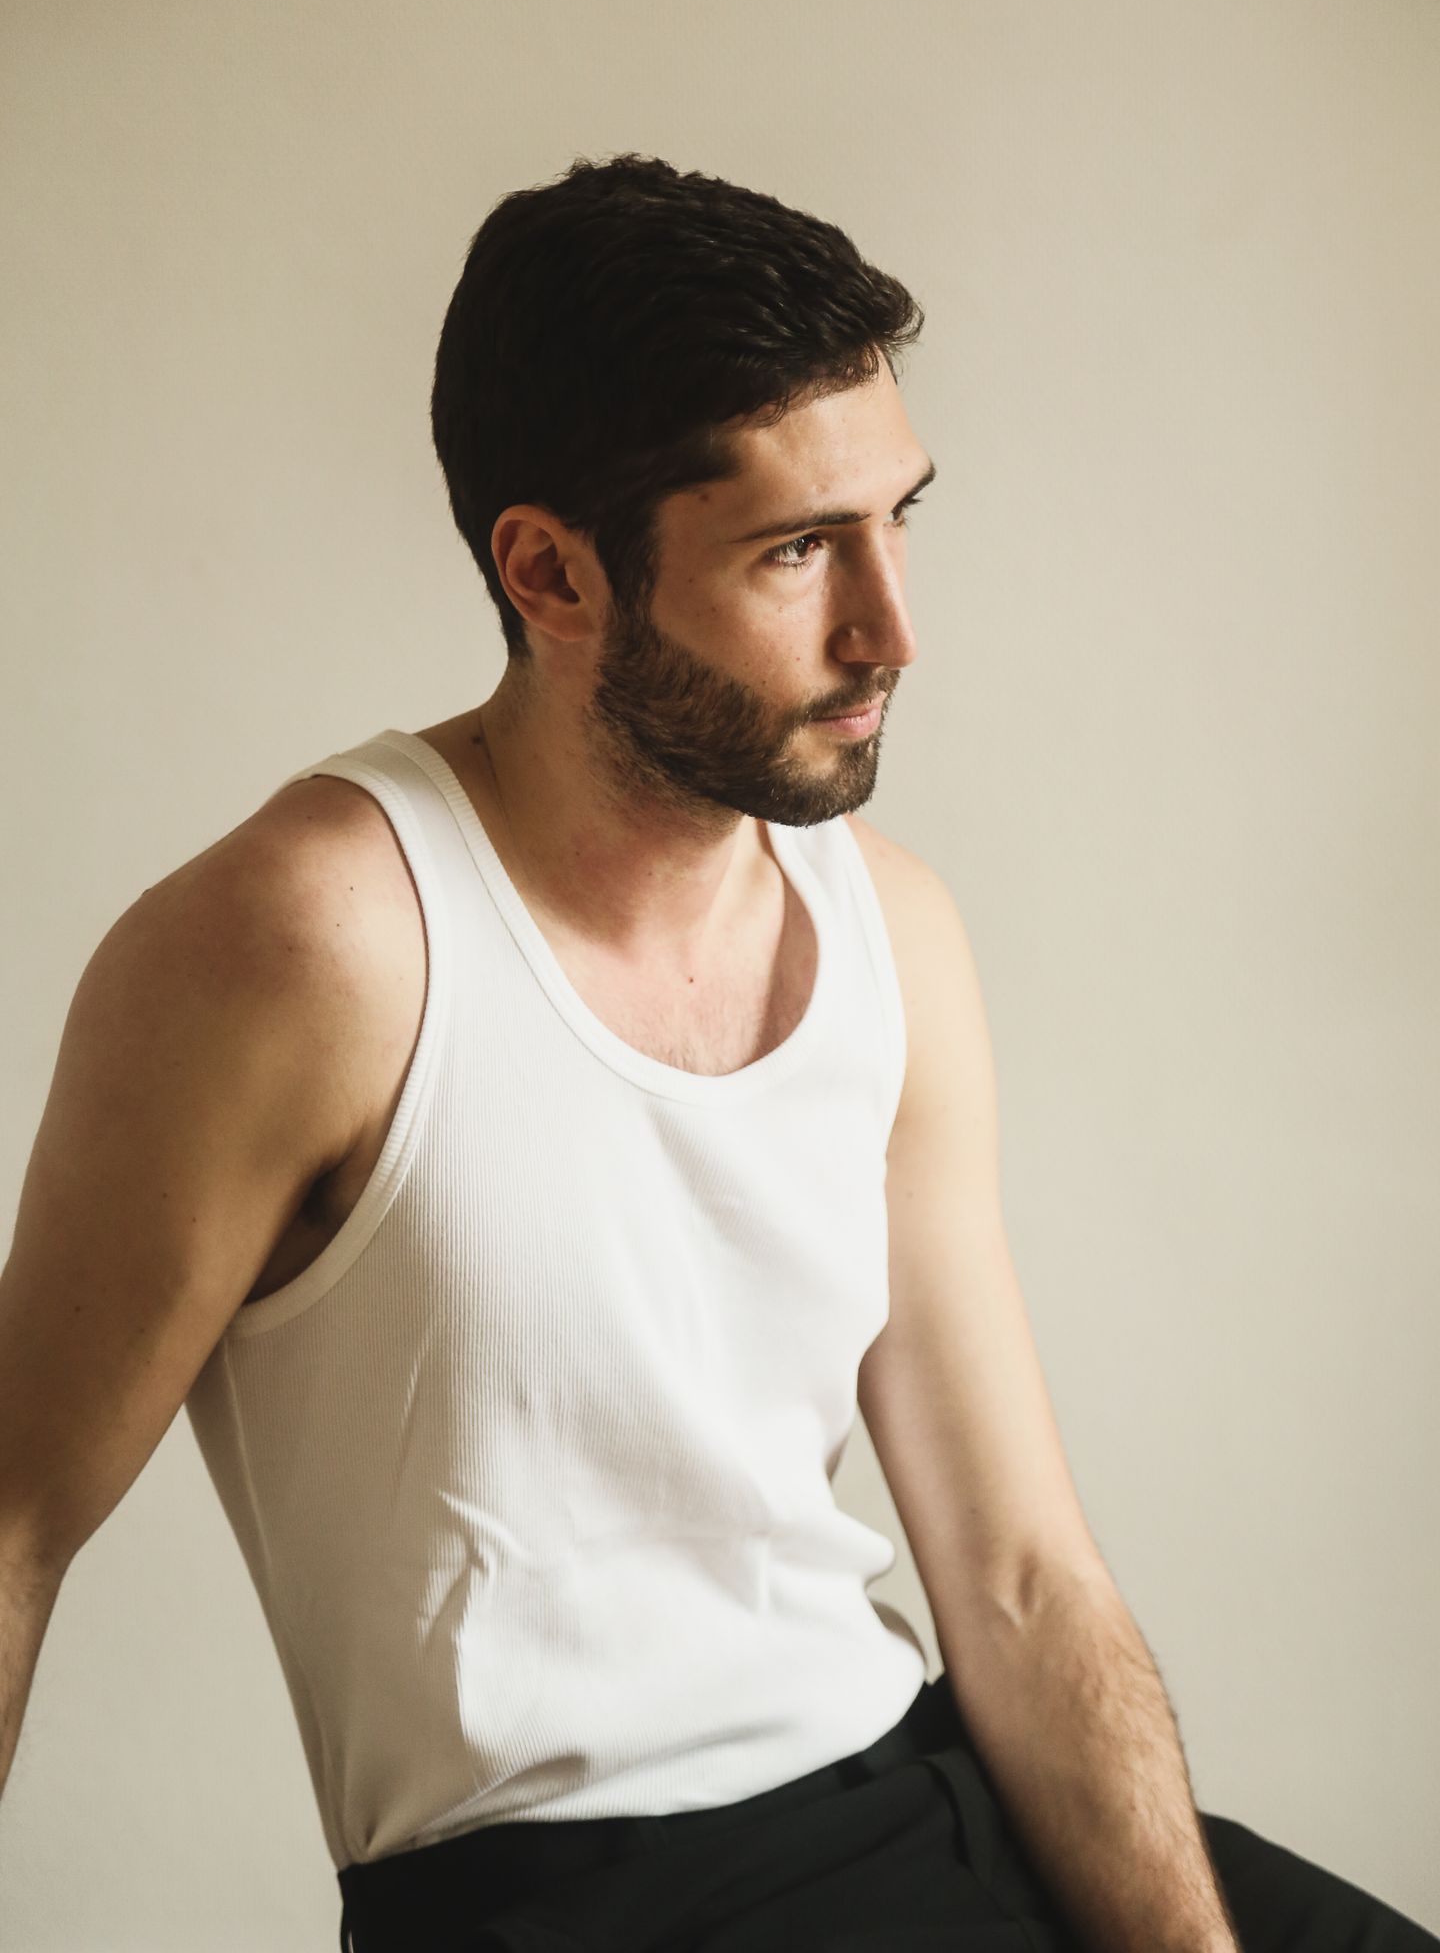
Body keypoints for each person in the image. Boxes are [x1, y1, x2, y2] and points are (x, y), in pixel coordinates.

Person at [0, 154, 1432, 1953]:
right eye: (798, 549)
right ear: (551, 572)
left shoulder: (890, 927)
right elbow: (12, 1525)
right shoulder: (314, 942)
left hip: (922, 1784)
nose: (891, 628)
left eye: (900, 518)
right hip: (589, 1891)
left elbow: (1015, 1578)